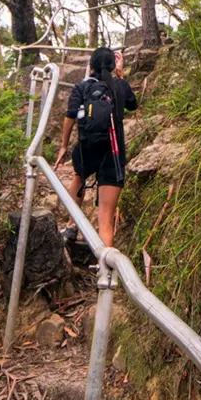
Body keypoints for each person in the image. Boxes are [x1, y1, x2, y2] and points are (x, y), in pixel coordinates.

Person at [55, 45, 137, 248]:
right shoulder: (119, 86)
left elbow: (70, 116)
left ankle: (72, 225)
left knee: (79, 175)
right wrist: (120, 74)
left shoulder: (81, 87)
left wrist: (63, 146)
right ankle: (105, 272)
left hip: (86, 149)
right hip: (114, 155)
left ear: (90, 65)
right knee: (106, 220)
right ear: (112, 66)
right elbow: (133, 104)